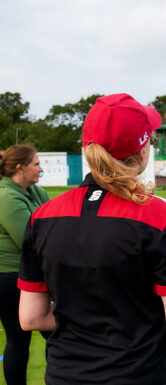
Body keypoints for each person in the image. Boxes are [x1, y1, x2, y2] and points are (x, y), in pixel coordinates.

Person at [17, 93, 166, 385]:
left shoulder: (42, 216)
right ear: (142, 152)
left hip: (65, 376)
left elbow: (31, 318)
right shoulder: (156, 214)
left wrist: (83, 323)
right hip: (141, 375)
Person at [0, 145, 49, 385]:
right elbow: (29, 241)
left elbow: (53, 224)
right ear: (20, 168)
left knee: (56, 332)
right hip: (8, 278)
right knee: (19, 338)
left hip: (30, 274)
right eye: (36, 164)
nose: (41, 168)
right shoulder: (6, 196)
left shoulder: (34, 191)